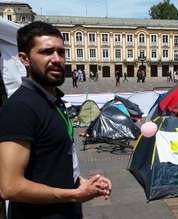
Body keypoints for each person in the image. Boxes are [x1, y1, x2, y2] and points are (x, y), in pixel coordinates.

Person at [0, 21, 111, 219]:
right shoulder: (20, 108)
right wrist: (74, 195)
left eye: (61, 52)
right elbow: (10, 187)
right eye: (46, 52)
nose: (56, 59)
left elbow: (53, 162)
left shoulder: (53, 102)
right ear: (24, 59)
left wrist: (82, 183)